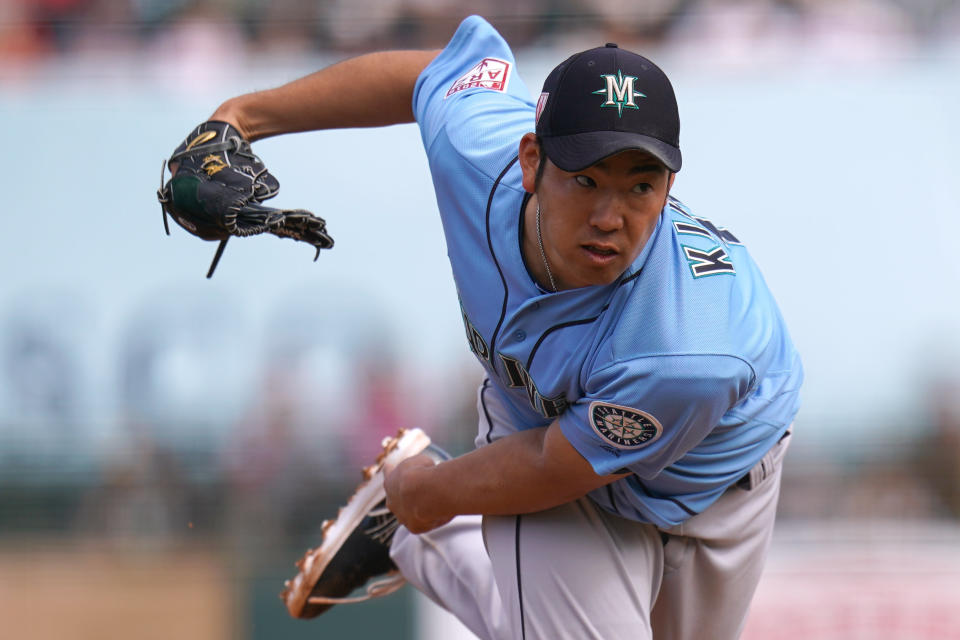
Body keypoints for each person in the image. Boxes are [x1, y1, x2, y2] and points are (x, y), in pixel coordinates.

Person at [200, 14, 802, 640]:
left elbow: (557, 463)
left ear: (670, 185)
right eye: (585, 179)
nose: (608, 216)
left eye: (640, 187)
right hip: (545, 432)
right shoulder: (476, 152)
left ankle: (425, 538)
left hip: (717, 475)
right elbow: (429, 77)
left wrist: (425, 497)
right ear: (531, 160)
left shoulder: (687, 352)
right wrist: (242, 117)